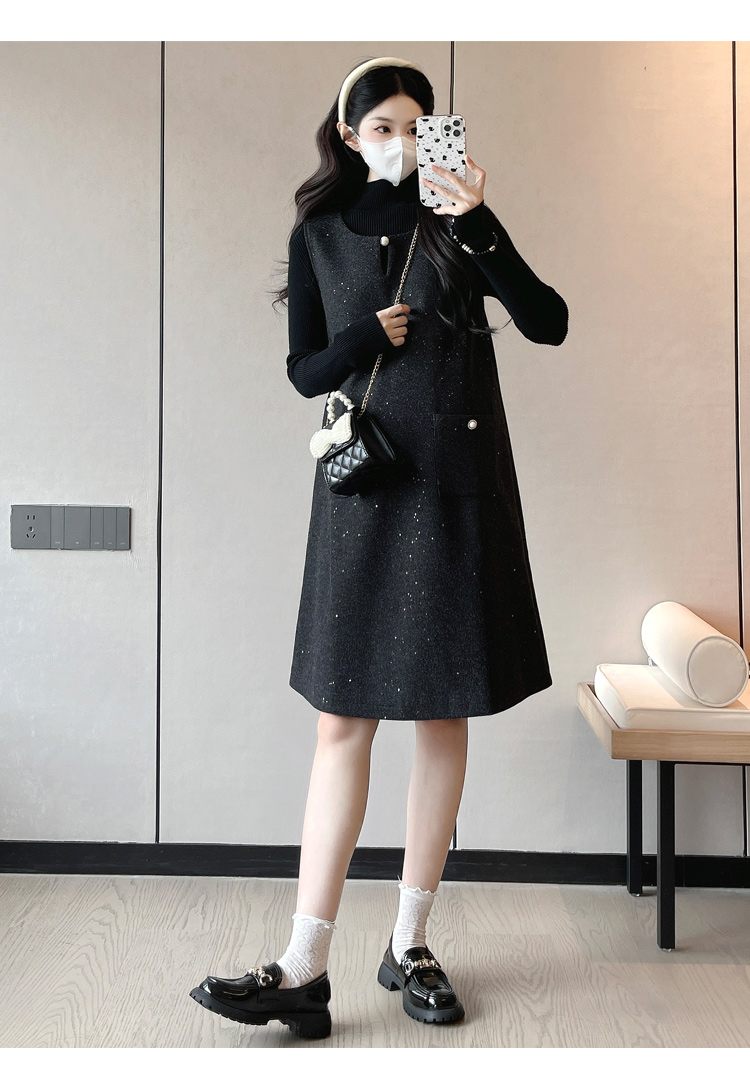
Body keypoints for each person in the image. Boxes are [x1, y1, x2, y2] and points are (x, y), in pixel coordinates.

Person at [190, 56, 568, 1041]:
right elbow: (303, 368)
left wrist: (480, 219)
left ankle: (410, 943)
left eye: (417, 125)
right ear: (349, 136)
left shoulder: (458, 223)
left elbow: (548, 322)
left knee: (442, 716)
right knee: (340, 723)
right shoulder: (317, 230)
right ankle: (303, 963)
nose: (402, 141)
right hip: (364, 492)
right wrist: (367, 335)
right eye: (385, 127)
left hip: (453, 490)